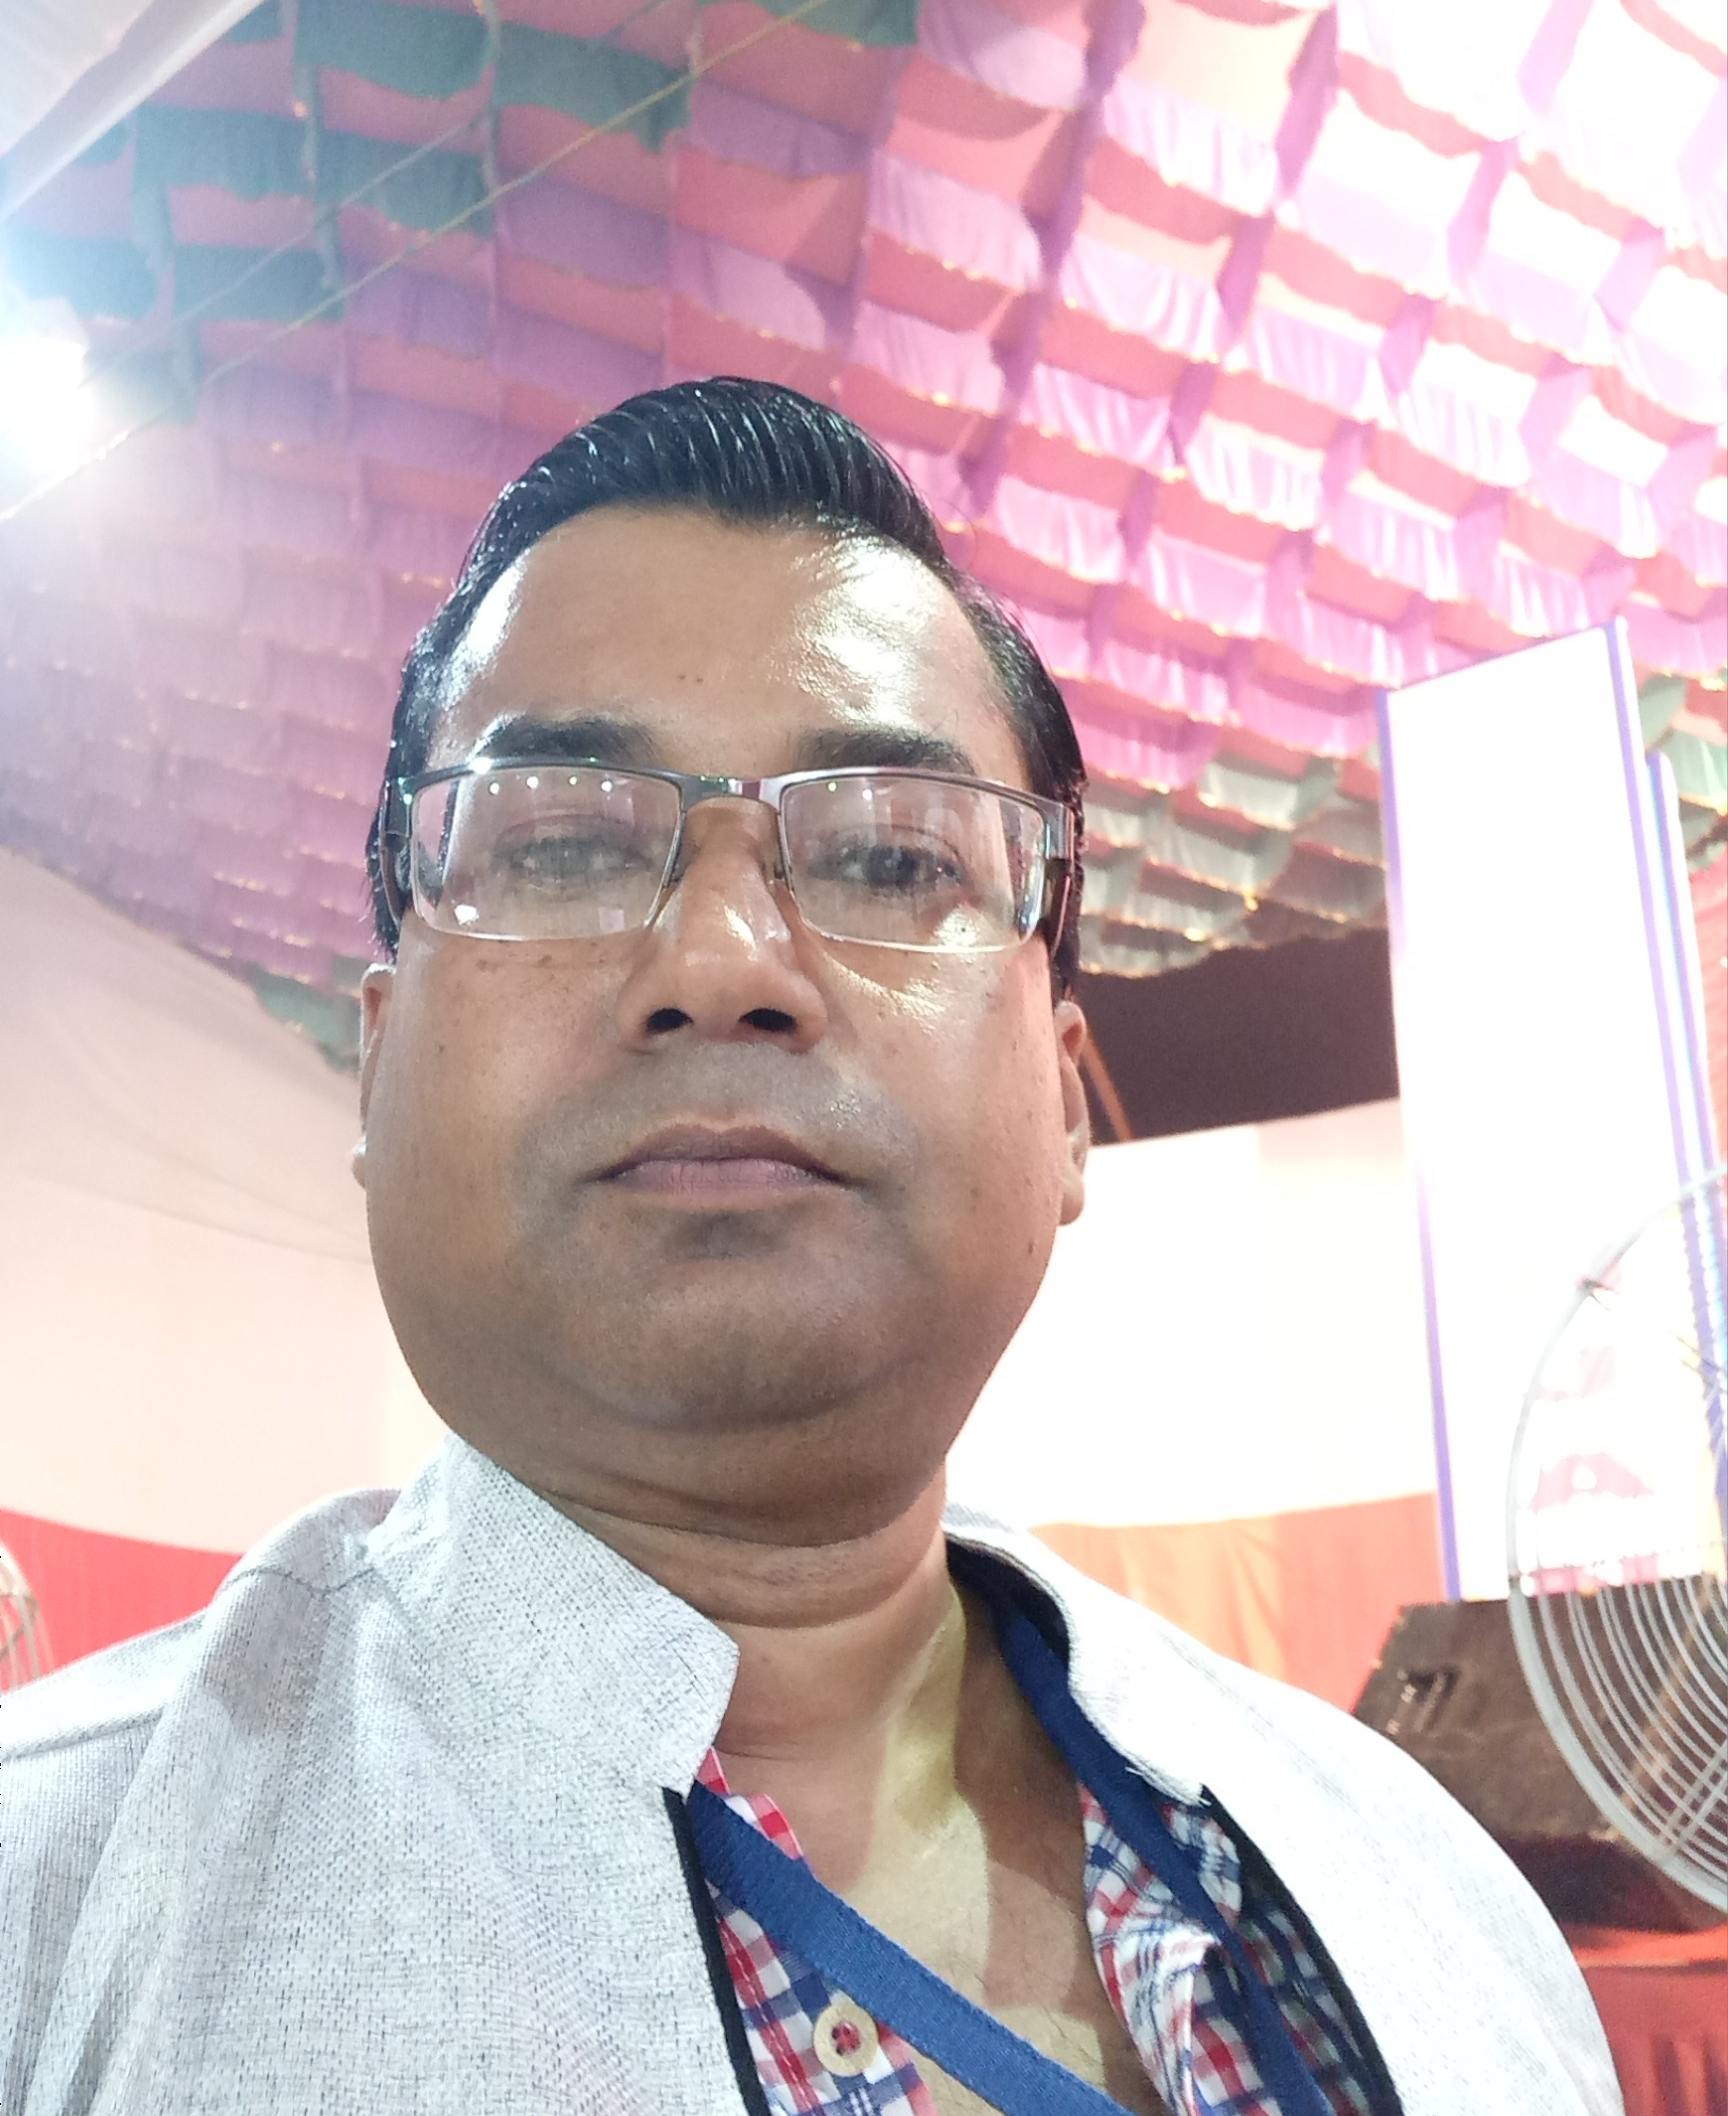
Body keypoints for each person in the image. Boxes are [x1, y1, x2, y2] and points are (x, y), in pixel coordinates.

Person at [1, 380, 1618, 2116]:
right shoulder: (53, 1907)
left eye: (889, 856)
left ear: (1065, 1104)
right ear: (380, 1070)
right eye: (561, 841)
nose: (722, 959)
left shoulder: (1438, 1900)